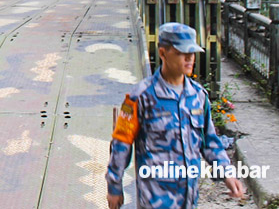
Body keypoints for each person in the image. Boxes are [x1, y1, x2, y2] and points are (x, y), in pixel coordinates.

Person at [105, 23, 246, 209]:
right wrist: (114, 187)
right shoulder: (140, 97)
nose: (189, 58)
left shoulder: (198, 96)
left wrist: (227, 172)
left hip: (189, 197)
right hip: (156, 199)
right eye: (181, 53)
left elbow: (210, 142)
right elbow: (121, 143)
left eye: (192, 53)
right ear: (163, 53)